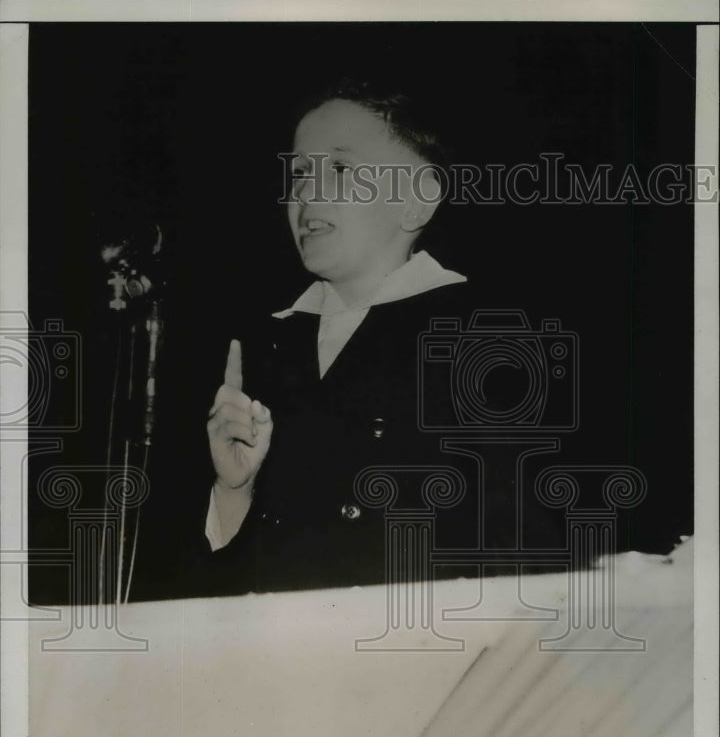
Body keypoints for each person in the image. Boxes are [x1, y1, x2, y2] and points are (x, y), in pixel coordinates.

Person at [199, 80, 559, 596]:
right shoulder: (266, 346)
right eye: (299, 172)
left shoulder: (487, 341)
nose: (306, 191)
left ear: (416, 202)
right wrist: (234, 491)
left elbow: (528, 557)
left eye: (340, 169)